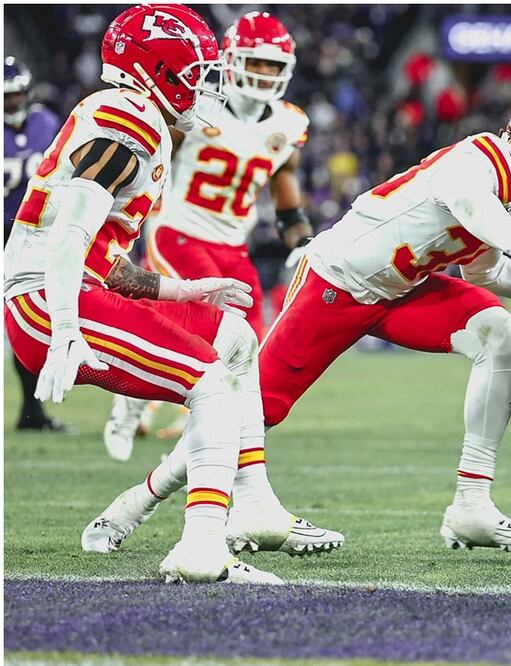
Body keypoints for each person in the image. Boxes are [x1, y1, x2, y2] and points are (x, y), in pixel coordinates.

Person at [5, 4, 337, 584]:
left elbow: (104, 261)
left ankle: (219, 502)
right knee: (209, 383)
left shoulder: (138, 116)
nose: (206, 87)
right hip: (49, 300)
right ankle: (201, 548)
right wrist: (64, 329)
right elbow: (70, 235)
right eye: (196, 74)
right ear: (157, 71)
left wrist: (185, 289)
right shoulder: (129, 119)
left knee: (237, 341)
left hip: (75, 288)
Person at [260, 92, 511, 552]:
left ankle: (471, 504)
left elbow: (486, 273)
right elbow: (464, 196)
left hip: (401, 291)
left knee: (502, 337)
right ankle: (225, 510)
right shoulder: (485, 156)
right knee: (254, 408)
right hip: (338, 279)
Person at [102, 10, 313, 462]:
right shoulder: (198, 106)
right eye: (255, 62)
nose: (263, 73)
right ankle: (132, 403)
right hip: (179, 231)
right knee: (203, 326)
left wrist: (301, 242)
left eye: (273, 65)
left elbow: (287, 198)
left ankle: (201, 424)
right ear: (232, 60)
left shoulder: (289, 123)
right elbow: (152, 160)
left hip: (233, 243)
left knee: (248, 343)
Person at [4, 56, 72, 432]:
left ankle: (32, 412)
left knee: (28, 322)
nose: (12, 102)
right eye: (6, 97)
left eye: (15, 94)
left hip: (35, 236)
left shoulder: (46, 122)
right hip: (5, 233)